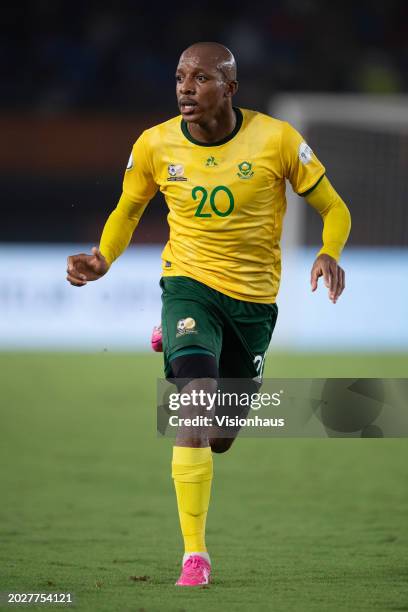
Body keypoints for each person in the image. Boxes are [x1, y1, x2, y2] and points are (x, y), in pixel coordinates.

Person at [66, 41, 351, 587]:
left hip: (253, 304)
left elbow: (334, 208)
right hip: (188, 285)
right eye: (179, 77)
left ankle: (181, 348)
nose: (185, 88)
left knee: (220, 435)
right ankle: (194, 555)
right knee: (195, 407)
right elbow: (128, 209)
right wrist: (103, 257)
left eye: (200, 78)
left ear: (230, 88)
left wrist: (328, 252)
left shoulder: (277, 140)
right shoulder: (155, 144)